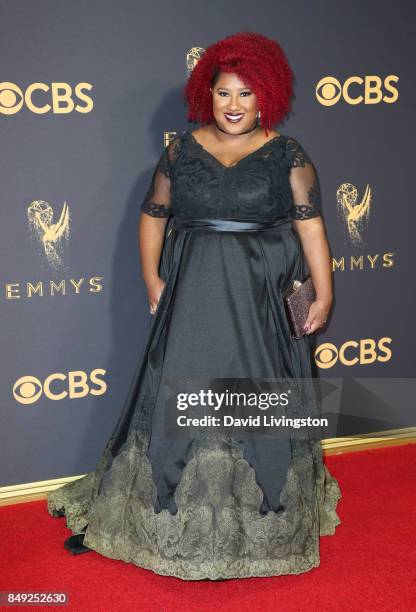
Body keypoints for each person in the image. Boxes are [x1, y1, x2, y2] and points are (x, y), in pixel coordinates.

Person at [47, 31, 341, 581]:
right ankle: (160, 514)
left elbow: (312, 227)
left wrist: (323, 293)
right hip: (194, 293)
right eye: (224, 93)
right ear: (207, 94)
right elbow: (154, 214)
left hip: (258, 300)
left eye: (247, 94)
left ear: (267, 96)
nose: (234, 105)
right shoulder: (180, 151)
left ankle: (261, 520)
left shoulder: (288, 154)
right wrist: (151, 278)